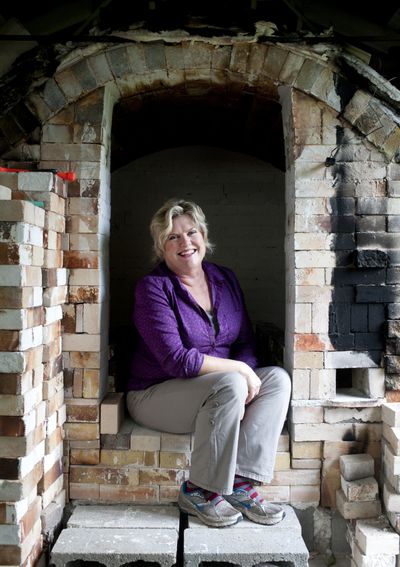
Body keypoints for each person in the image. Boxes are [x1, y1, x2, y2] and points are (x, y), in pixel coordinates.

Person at [126, 198, 291, 528]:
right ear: (161, 247)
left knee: (277, 379)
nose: (185, 243)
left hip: (217, 391)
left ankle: (241, 485)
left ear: (203, 235)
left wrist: (245, 373)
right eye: (173, 237)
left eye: (191, 232)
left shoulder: (224, 278)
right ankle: (199, 490)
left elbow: (244, 340)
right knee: (230, 381)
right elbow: (176, 360)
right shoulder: (153, 288)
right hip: (155, 393)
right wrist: (240, 372)